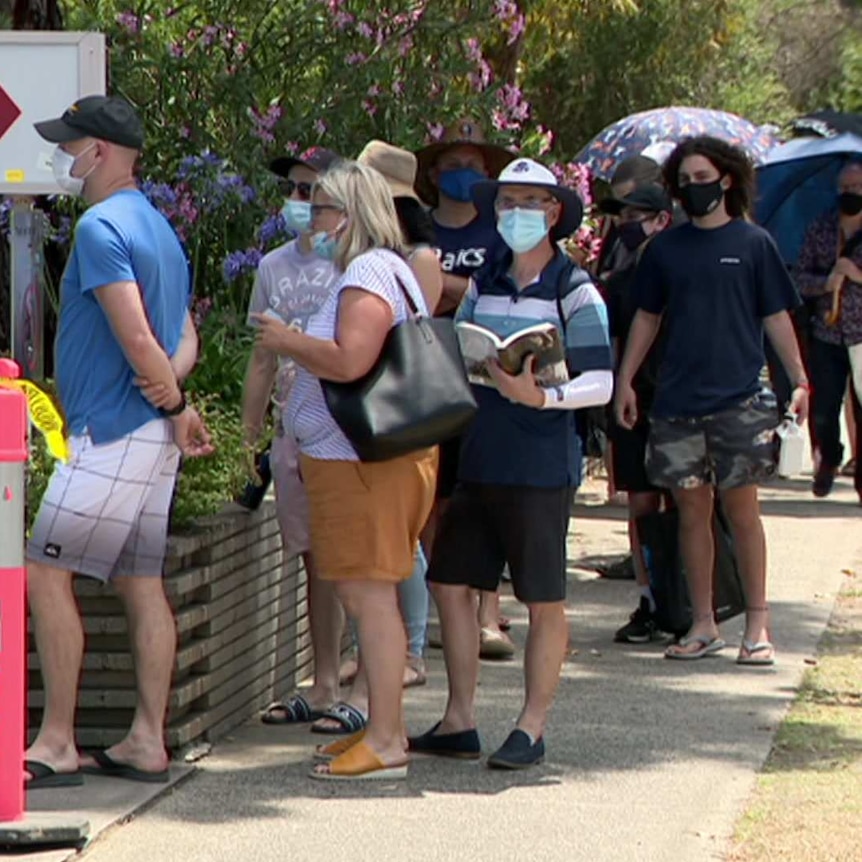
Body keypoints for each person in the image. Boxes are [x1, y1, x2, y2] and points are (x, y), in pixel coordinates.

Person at [24, 95, 211, 788]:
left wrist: (174, 396)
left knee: (46, 571)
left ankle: (58, 741)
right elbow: (181, 340)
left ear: (99, 151)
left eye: (71, 145)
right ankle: (145, 740)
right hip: (150, 435)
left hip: (109, 431)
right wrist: (176, 401)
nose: (64, 156)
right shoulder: (160, 230)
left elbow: (137, 337)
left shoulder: (102, 227)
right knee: (141, 582)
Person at [412, 158, 613, 769]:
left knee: (542, 596)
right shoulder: (485, 281)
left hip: (541, 463)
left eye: (529, 202)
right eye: (505, 203)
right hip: (481, 453)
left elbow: (599, 382)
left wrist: (544, 395)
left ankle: (532, 726)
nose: (514, 214)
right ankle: (460, 718)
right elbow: (463, 344)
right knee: (448, 580)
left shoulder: (576, 290)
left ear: (554, 213)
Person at [252, 161, 437, 781]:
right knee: (369, 595)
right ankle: (388, 730)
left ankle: (385, 740)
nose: (313, 218)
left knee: (368, 597)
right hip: (367, 463)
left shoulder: (365, 271)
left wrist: (287, 341)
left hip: (360, 464)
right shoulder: (390, 270)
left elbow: (351, 359)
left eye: (324, 207)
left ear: (350, 215)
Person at [614, 136, 809, 666]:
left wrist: (798, 379)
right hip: (676, 403)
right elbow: (646, 318)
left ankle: (758, 625)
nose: (693, 190)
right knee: (690, 513)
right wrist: (625, 380)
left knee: (742, 511)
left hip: (741, 400)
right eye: (685, 182)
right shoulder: (665, 250)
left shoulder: (753, 243)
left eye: (703, 179)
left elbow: (776, 316)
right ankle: (703, 623)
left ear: (726, 180)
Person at [242, 146, 345, 726]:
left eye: (313, 192)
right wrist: (246, 439)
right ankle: (322, 677)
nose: (301, 202)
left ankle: (349, 682)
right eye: (296, 191)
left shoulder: (354, 263)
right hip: (291, 433)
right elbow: (261, 358)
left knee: (345, 559)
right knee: (312, 558)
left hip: (342, 430)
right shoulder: (272, 268)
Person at [415, 119, 515, 658]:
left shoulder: (499, 234)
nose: (462, 175)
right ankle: (442, 604)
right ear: (433, 173)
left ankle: (488, 613)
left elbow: (493, 298)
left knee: (483, 499)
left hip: (486, 384)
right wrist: (462, 293)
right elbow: (413, 294)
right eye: (451, 166)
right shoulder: (420, 229)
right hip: (428, 380)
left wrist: (448, 288)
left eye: (472, 167)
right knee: (434, 500)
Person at [598, 184, 674, 643]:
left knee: (686, 502)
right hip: (634, 404)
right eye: (621, 215)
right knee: (641, 504)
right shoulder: (617, 282)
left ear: (662, 219)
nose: (627, 224)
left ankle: (687, 599)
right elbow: (615, 344)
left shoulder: (684, 269)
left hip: (681, 402)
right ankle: (648, 599)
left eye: (637, 215)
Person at [795, 160, 862, 500]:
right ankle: (828, 458)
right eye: (845, 188)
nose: (850, 194)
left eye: (857, 188)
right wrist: (827, 282)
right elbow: (800, 279)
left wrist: (854, 272)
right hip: (827, 331)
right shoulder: (821, 228)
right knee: (824, 407)